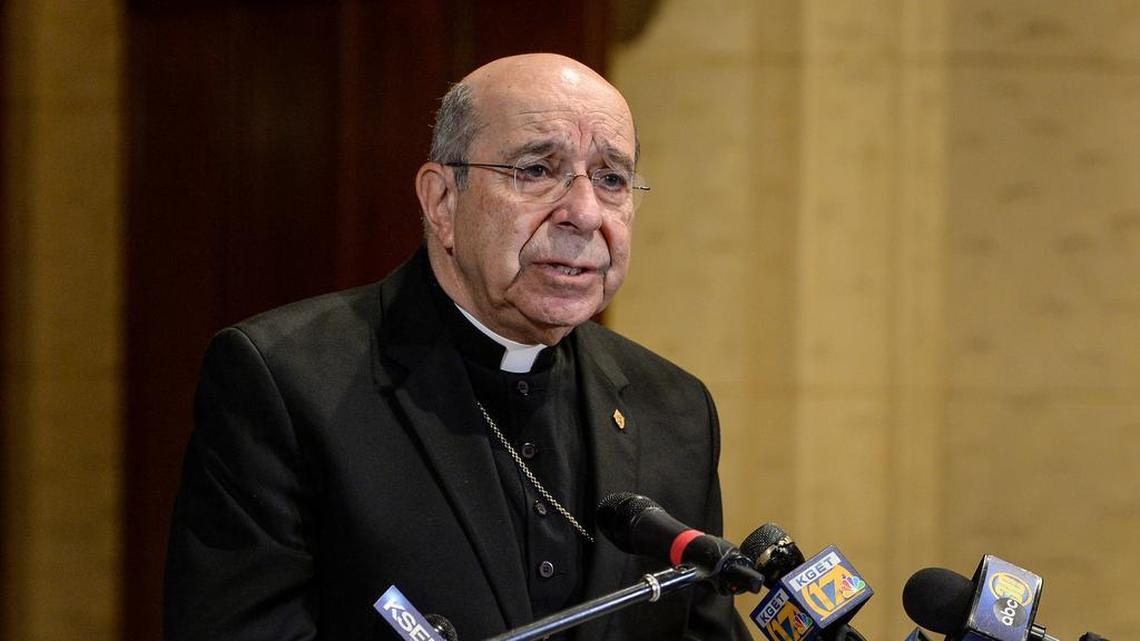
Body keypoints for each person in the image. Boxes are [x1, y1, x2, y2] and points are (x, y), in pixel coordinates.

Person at [164, 53, 751, 641]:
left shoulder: (675, 409)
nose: (583, 213)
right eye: (536, 170)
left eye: (611, 179)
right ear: (442, 201)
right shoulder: (287, 381)